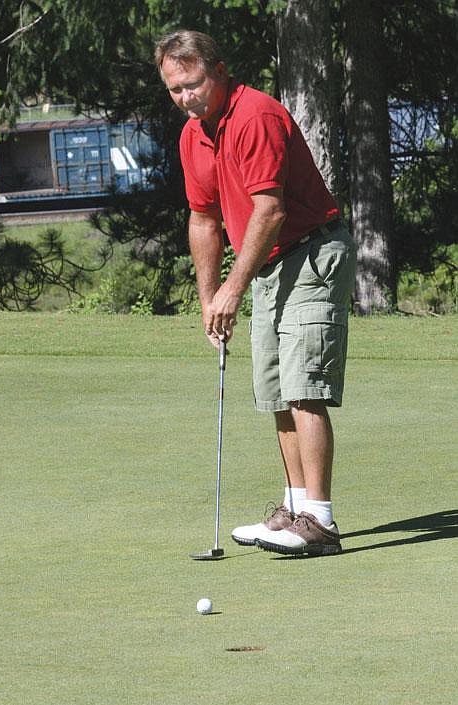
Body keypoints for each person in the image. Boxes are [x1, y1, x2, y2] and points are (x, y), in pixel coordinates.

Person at [154, 30, 356, 556]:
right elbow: (203, 220)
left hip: (311, 254)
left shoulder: (256, 116)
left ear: (219, 70)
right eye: (174, 89)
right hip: (264, 264)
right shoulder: (193, 136)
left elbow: (271, 210)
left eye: (193, 84)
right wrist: (207, 297)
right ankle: (293, 511)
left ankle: (321, 521)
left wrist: (232, 289)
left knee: (303, 386)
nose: (185, 97)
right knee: (275, 391)